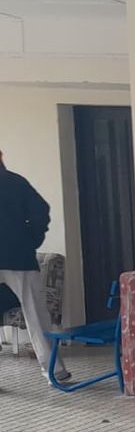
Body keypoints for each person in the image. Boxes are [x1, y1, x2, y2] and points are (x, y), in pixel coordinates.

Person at [0, 151, 71, 384]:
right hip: (18, 255)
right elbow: (41, 211)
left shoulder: (16, 182)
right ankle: (54, 371)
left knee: (35, 312)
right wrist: (31, 239)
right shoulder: (16, 183)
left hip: (17, 254)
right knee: (36, 314)